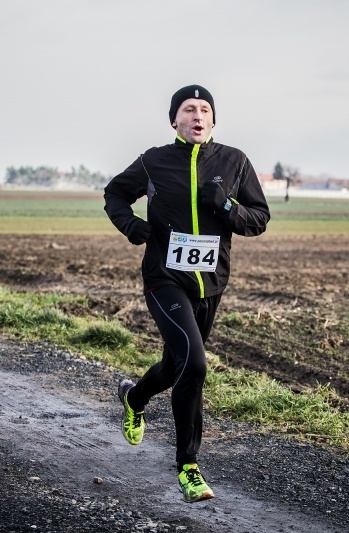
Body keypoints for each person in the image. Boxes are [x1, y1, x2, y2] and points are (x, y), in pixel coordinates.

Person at [103, 84, 270, 503]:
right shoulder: (154, 160)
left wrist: (228, 207)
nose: (198, 115)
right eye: (188, 109)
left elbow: (260, 218)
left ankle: (134, 396)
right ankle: (188, 467)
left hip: (210, 285)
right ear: (174, 119)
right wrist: (132, 226)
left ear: (213, 120)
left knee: (176, 364)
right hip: (164, 279)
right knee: (194, 365)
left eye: (205, 110)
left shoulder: (234, 162)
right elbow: (115, 194)